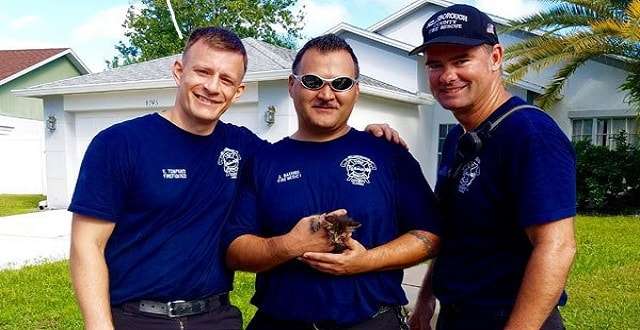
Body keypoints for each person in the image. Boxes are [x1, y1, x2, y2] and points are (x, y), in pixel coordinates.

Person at [69, 27, 403, 330]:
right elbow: (87, 244)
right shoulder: (119, 144)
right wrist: (98, 325)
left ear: (239, 90)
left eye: (226, 79)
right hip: (139, 318)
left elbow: (306, 153)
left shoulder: (244, 148)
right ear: (178, 71)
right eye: (203, 72)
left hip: (216, 317)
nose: (212, 87)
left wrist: (366, 138)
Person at [224, 34, 442, 330]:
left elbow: (430, 236)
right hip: (281, 322)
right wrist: (290, 244)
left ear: (356, 91)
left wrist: (365, 262)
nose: (327, 94)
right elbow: (236, 250)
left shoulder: (388, 154)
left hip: (371, 322)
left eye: (341, 84)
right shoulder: (265, 161)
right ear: (292, 85)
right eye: (313, 82)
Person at [407, 4, 577, 330]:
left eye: (461, 61)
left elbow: (556, 246)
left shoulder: (529, 133)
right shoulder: (459, 137)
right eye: (436, 65)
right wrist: (427, 297)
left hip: (511, 318)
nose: (447, 76)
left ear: (496, 57)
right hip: (458, 315)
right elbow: (455, 232)